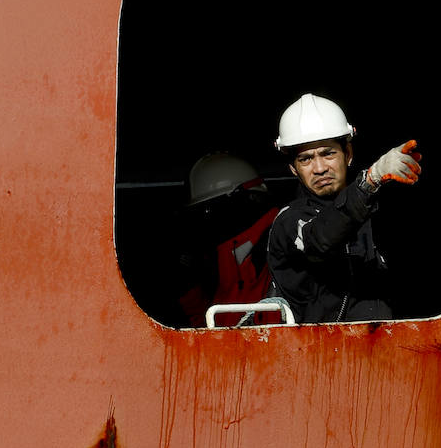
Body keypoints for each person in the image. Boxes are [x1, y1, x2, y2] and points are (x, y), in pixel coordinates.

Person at [267, 93, 423, 323]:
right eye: (306, 159)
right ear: (293, 169)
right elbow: (320, 239)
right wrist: (370, 181)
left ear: (347, 154)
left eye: (328, 153)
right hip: (314, 353)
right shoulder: (289, 221)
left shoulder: (376, 213)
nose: (319, 168)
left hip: (384, 347)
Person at [175, 152, 281, 327]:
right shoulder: (227, 257)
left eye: (208, 211)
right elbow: (217, 325)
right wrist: (190, 293)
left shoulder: (283, 243)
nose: (205, 223)